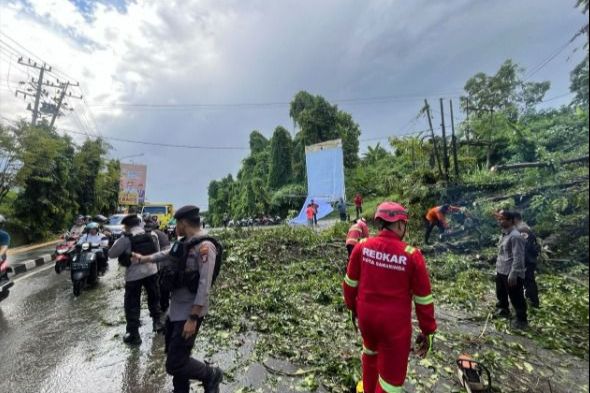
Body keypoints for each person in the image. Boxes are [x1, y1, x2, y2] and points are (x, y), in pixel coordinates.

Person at [343, 202, 437, 393]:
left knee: (370, 355)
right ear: (401, 224)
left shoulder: (362, 247)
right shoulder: (411, 255)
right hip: (394, 328)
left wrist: (352, 308)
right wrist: (428, 330)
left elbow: (350, 283)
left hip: (367, 320)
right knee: (391, 382)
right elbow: (423, 300)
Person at [132, 205, 223, 393]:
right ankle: (180, 390)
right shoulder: (183, 242)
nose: (175, 227)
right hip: (175, 310)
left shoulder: (206, 247)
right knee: (176, 354)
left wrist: (193, 318)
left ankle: (211, 374)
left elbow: (204, 286)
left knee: (175, 363)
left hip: (189, 312)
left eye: (176, 223)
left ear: (183, 223)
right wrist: (143, 259)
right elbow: (165, 254)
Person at [108, 214, 163, 345]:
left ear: (126, 226)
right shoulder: (152, 235)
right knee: (154, 297)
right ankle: (157, 323)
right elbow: (158, 253)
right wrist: (157, 270)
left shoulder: (125, 239)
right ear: (139, 223)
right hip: (152, 271)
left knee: (132, 303)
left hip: (134, 276)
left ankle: (134, 334)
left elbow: (111, 254)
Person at [494, 210, 528, 330]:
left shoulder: (515, 236)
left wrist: (514, 273)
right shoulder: (504, 234)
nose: (500, 221)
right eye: (499, 219)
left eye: (503, 219)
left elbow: (518, 257)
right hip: (501, 269)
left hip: (510, 271)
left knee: (516, 296)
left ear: (510, 221)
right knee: (501, 292)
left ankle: (521, 320)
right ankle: (503, 309)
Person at [145, 217, 173, 314]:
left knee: (159, 281)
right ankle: (165, 304)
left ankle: (162, 308)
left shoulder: (153, 234)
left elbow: (155, 251)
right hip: (168, 257)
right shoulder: (160, 233)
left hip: (163, 256)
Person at [514, 212, 540, 308]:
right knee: (527, 282)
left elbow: (524, 247)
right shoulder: (523, 227)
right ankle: (530, 303)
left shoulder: (522, 229)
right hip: (528, 260)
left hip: (526, 261)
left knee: (528, 282)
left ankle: (533, 304)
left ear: (515, 219)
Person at [0, 215, 10, 284]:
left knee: (2, 257)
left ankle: (3, 275)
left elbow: (4, 247)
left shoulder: (4, 235)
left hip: (1, 254)